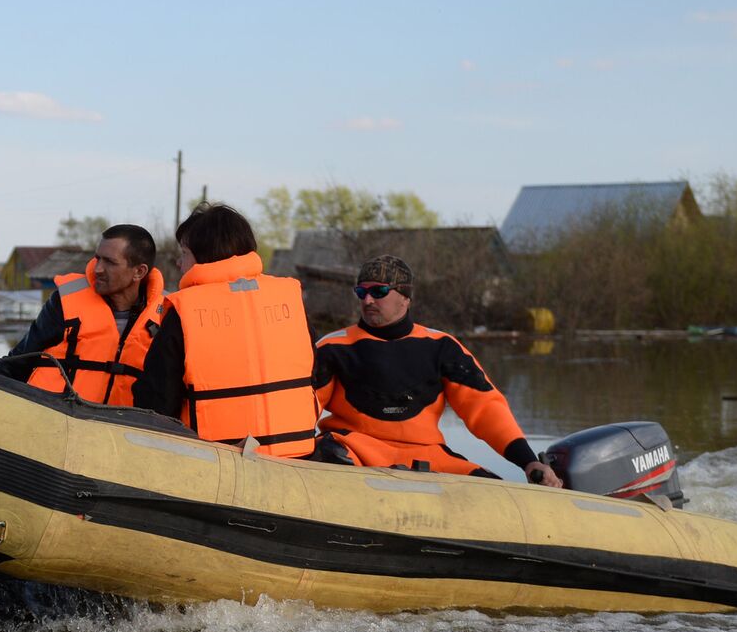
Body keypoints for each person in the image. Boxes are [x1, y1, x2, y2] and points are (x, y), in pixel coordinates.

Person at [312, 255, 563, 487]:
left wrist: (528, 461)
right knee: (321, 453)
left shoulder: (442, 346)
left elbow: (485, 408)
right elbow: (300, 409)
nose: (368, 300)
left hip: (427, 456)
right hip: (353, 448)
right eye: (361, 292)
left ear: (405, 296)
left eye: (379, 291)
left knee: (497, 490)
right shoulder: (331, 347)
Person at [133, 203, 319, 459]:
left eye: (184, 252)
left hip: (215, 464)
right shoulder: (291, 298)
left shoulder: (185, 308)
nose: (179, 262)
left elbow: (156, 400)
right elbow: (314, 375)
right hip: (296, 457)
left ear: (205, 255)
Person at [0, 224, 165, 406]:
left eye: (110, 262)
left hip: (119, 430)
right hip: (52, 422)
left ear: (139, 272)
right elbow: (16, 364)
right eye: (97, 258)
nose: (98, 268)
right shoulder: (66, 302)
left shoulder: (165, 316)